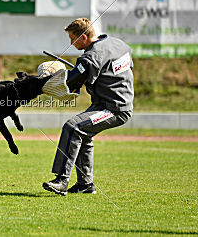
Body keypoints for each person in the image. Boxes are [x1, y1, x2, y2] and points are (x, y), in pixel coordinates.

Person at [42, 18, 134, 196]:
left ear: (83, 37)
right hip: (117, 103)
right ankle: (85, 184)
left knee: (73, 126)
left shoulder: (90, 57)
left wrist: (51, 78)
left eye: (72, 39)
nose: (71, 43)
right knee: (84, 133)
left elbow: (70, 84)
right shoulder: (118, 44)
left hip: (113, 109)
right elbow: (124, 67)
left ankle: (61, 180)